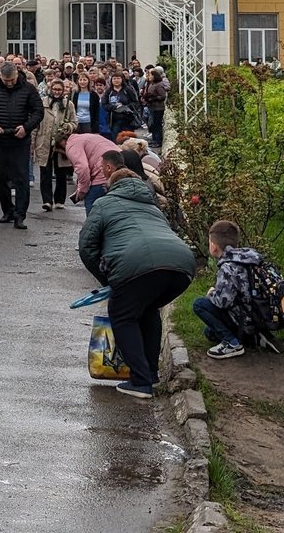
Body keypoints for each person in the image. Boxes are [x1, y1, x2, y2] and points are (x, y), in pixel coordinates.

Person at [77, 165, 197, 399]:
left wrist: (109, 279)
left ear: (111, 186)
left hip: (138, 265)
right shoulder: (152, 207)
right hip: (182, 266)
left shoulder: (103, 204)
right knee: (148, 308)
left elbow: (87, 246)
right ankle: (150, 373)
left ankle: (141, 382)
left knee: (122, 314)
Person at [0, 58, 43, 228]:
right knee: (1, 178)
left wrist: (26, 127)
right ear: (0, 76)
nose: (9, 83)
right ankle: (8, 211)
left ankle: (20, 215)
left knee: (21, 179)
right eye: (6, 81)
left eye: (12, 80)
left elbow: (38, 111)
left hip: (19, 139)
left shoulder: (28, 88)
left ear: (16, 75)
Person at [193, 220, 266, 359]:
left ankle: (232, 344)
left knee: (199, 304)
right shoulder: (249, 259)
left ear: (213, 246)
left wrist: (211, 293)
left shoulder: (228, 267)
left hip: (243, 318)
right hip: (257, 316)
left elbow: (222, 302)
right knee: (210, 332)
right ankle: (251, 337)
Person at [39, 75, 76, 212]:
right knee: (45, 172)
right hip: (44, 141)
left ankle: (60, 200)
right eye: (54, 89)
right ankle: (47, 200)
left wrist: (69, 127)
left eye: (59, 89)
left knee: (61, 172)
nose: (57, 92)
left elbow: (74, 122)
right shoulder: (42, 102)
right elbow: (36, 123)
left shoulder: (68, 105)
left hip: (61, 143)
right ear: (50, 89)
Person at [63, 130, 119, 212]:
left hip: (103, 171)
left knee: (92, 203)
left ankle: (93, 224)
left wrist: (82, 191)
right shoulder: (86, 136)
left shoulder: (71, 145)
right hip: (119, 164)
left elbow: (83, 168)